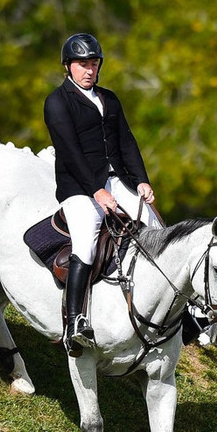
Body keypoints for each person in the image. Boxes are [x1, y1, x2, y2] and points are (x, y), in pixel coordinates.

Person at [44, 32, 162, 357]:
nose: (89, 70)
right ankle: (75, 323)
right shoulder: (57, 101)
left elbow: (127, 142)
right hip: (78, 186)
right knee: (86, 241)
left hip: (117, 180)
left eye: (94, 64)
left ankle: (171, 311)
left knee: (154, 230)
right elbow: (68, 151)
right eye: (83, 64)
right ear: (68, 66)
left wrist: (141, 181)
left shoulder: (109, 99)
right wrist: (96, 191)